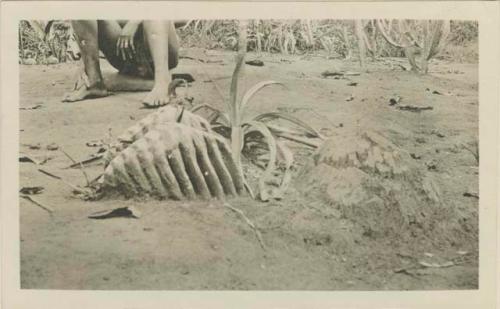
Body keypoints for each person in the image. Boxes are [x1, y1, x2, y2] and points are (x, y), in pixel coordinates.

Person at [62, 20, 185, 107]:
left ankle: (161, 82)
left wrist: (135, 21)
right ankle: (95, 83)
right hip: (125, 50)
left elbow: (182, 19)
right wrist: (85, 64)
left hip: (160, 46)